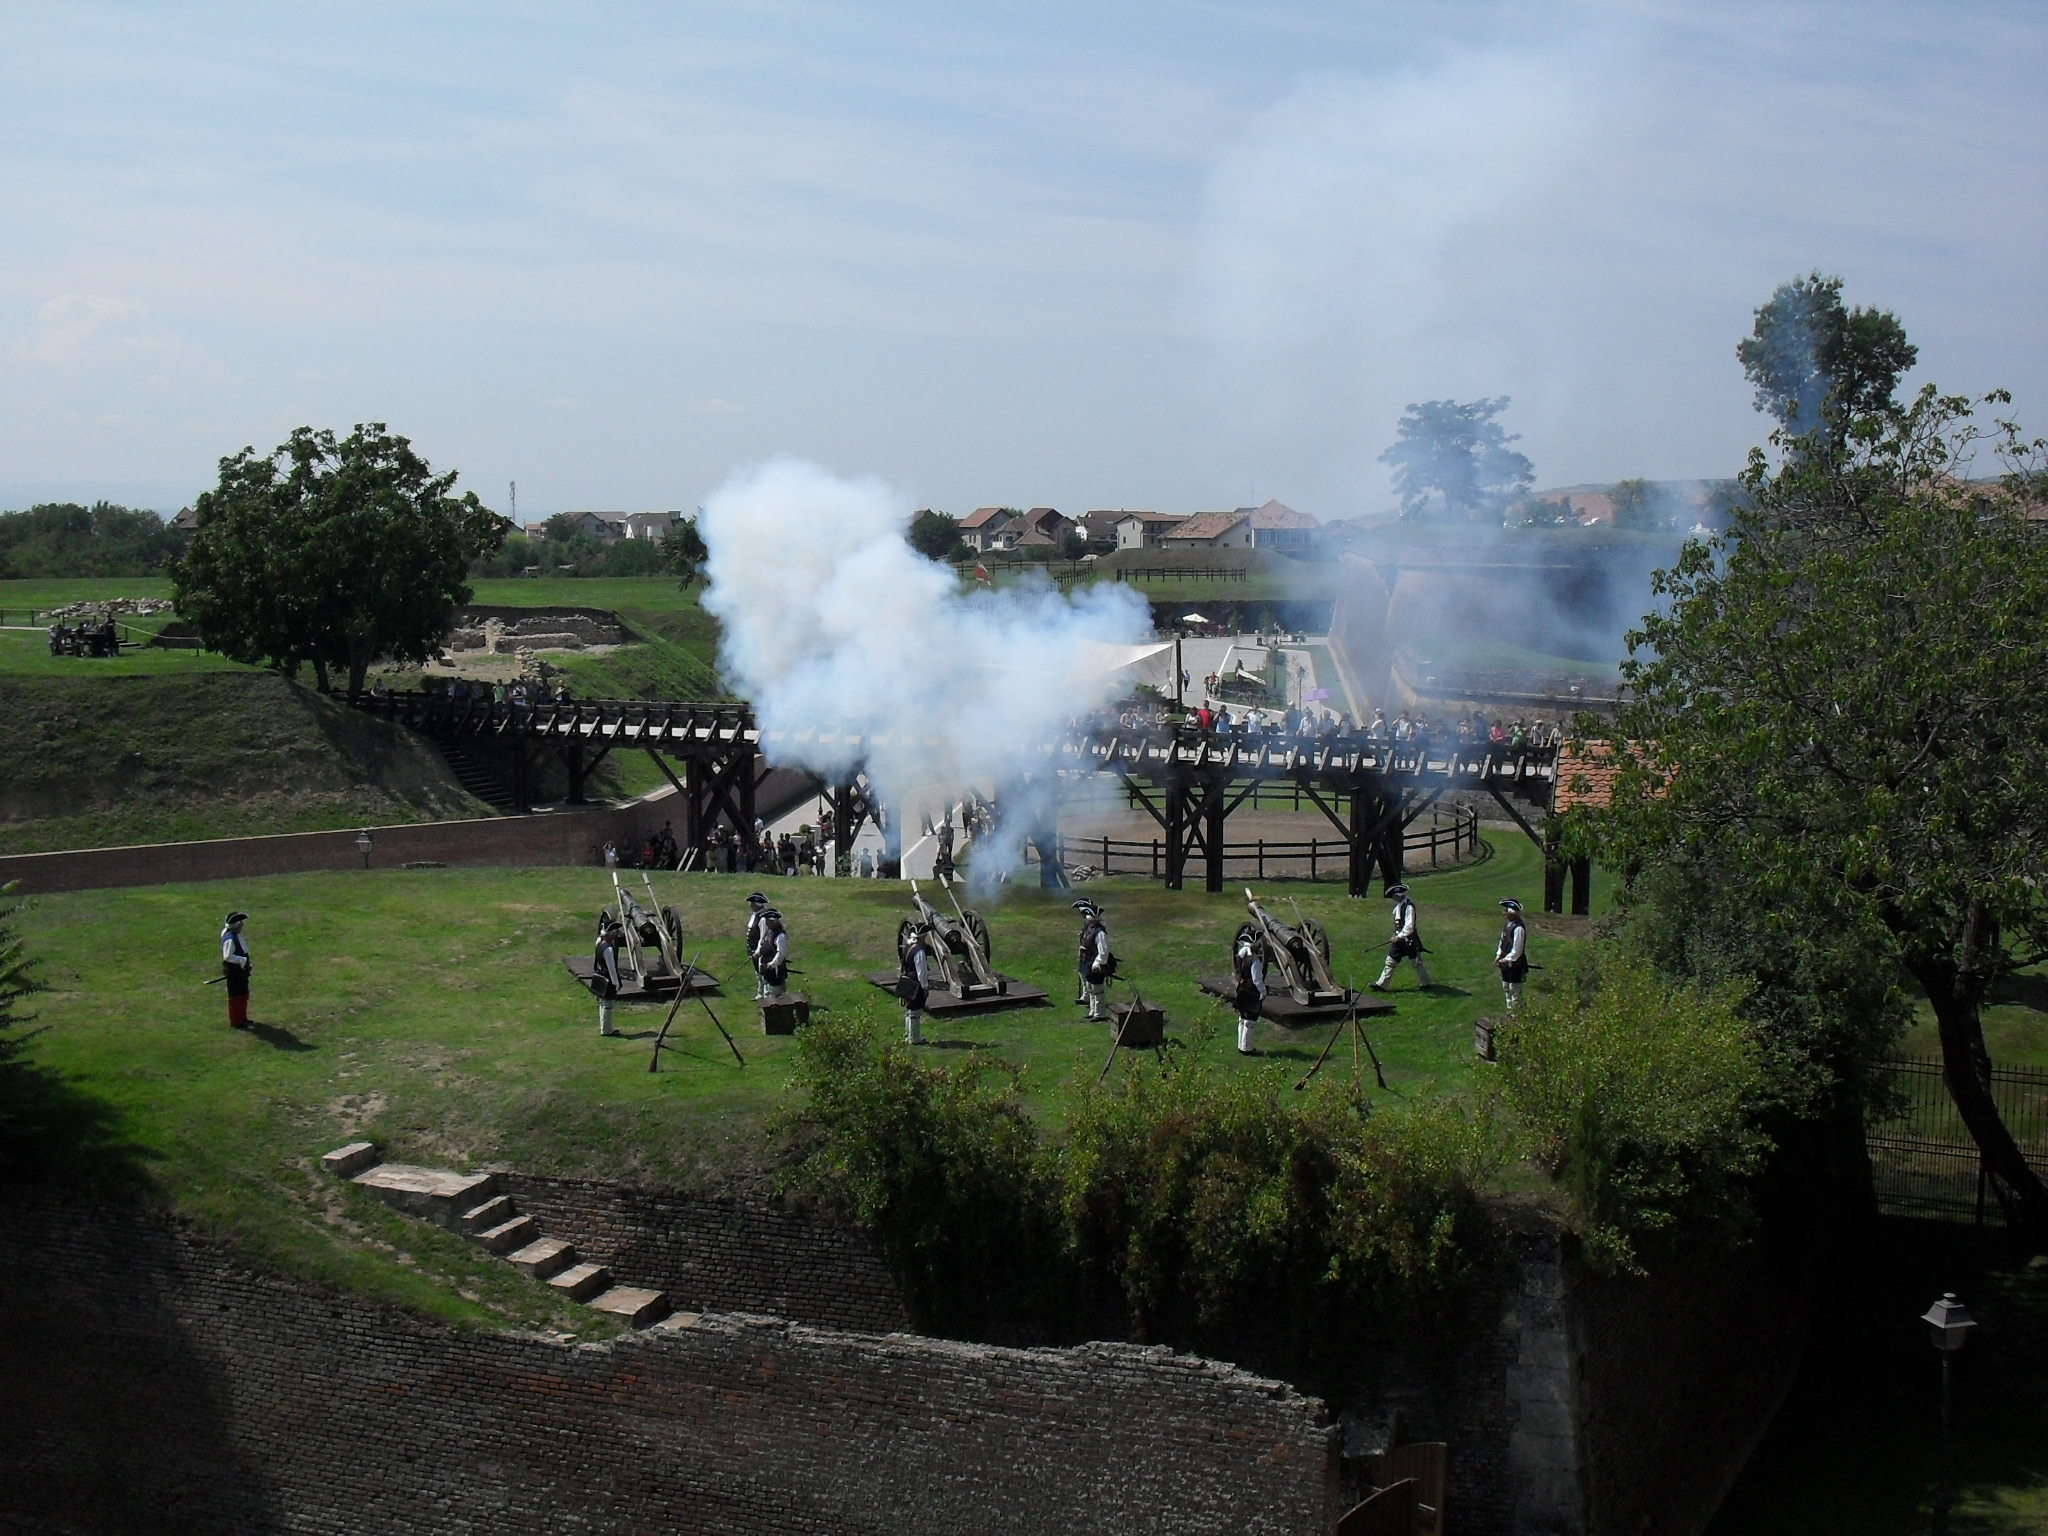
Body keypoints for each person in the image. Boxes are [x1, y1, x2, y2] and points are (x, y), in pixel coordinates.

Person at [1371, 884, 1433, 991]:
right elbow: (1399, 925)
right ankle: (1382, 984)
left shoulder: (1409, 907)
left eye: (1394, 896)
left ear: (1399, 895)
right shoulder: (1399, 906)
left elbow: (1409, 927)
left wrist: (1398, 936)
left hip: (1408, 940)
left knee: (1416, 962)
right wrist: (1395, 935)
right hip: (1400, 940)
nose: (1393, 898)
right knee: (1391, 961)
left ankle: (1426, 983)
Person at [1074, 899, 1113, 1022]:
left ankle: (1099, 1013)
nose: (1088, 918)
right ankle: (1092, 1011)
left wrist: (1098, 963)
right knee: (1090, 988)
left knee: (1097, 990)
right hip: (1087, 961)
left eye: (1090, 916)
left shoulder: (1100, 932)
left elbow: (1103, 951)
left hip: (1094, 963)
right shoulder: (1091, 928)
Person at [897, 920, 933, 1045]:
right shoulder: (920, 951)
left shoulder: (908, 946)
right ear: (922, 936)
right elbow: (921, 971)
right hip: (916, 982)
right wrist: (925, 987)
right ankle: (915, 1038)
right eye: (925, 935)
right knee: (915, 1010)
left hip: (908, 979)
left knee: (909, 1010)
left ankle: (909, 1035)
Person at [1231, 927, 1266, 1056]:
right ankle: (1247, 1048)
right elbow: (1257, 980)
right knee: (1250, 1021)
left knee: (1242, 1019)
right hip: (1251, 991)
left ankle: (1241, 1045)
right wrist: (1263, 992)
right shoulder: (1255, 961)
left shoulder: (1242, 955)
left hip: (1242, 988)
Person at [220, 910, 253, 1029]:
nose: (242, 925)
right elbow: (228, 956)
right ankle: (236, 1021)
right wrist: (242, 961)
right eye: (240, 923)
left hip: (241, 969)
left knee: (244, 994)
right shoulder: (230, 938)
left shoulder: (237, 935)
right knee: (235, 996)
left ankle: (243, 1018)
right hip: (235, 971)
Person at [1495, 898, 1529, 1014]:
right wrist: (1499, 955)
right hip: (1505, 963)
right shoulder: (1507, 925)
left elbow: (1517, 950)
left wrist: (1506, 959)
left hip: (1515, 964)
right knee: (1506, 987)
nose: (1504, 913)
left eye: (1507, 911)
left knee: (1514, 990)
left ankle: (1517, 1015)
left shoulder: (1518, 928)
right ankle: (1510, 1012)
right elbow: (1502, 941)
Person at [593, 919, 625, 1036]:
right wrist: (616, 983)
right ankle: (607, 1030)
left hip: (600, 975)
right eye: (614, 932)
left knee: (603, 1003)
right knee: (608, 1005)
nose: (616, 934)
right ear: (610, 934)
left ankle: (604, 1028)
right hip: (607, 978)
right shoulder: (608, 949)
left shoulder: (599, 942)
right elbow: (611, 967)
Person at [755, 907, 791, 1001]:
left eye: (768, 921)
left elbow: (781, 953)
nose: (766, 923)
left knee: (775, 996)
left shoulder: (780, 936)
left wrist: (772, 964)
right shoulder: (770, 932)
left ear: (773, 921)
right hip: (766, 970)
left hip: (775, 971)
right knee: (767, 993)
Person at [743, 891, 770, 1000]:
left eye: (752, 903)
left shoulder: (763, 918)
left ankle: (767, 994)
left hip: (760, 950)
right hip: (752, 948)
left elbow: (763, 936)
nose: (750, 905)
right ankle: (760, 993)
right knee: (758, 972)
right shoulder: (755, 915)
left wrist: (758, 951)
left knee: (763, 972)